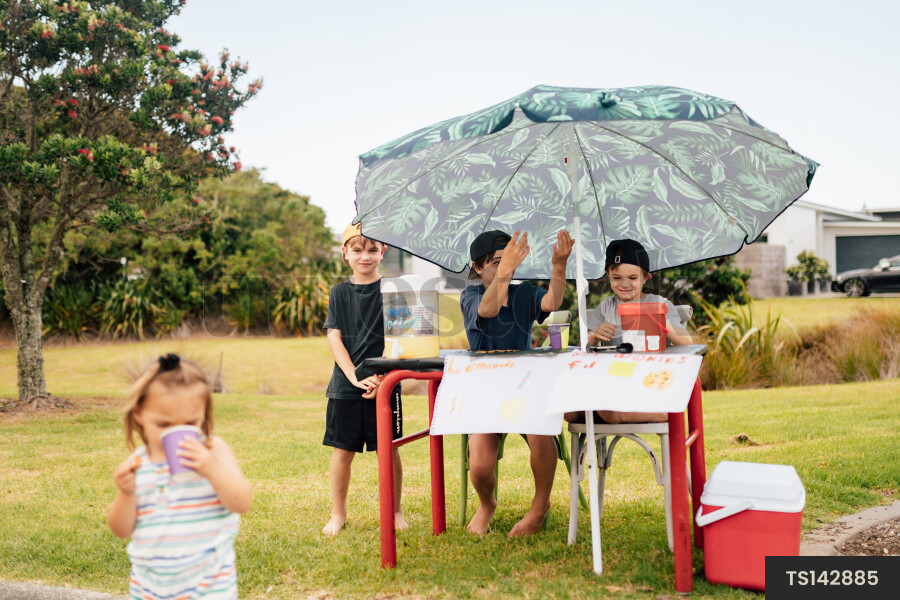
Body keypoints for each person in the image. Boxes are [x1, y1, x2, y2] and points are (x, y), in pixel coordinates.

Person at [108, 353, 253, 600]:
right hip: (148, 589)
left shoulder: (213, 451)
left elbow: (242, 502)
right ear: (139, 415)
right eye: (164, 425)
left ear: (203, 414)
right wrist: (126, 492)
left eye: (190, 422)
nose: (175, 432)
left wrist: (210, 468)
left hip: (209, 586)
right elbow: (121, 530)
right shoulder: (138, 464)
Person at [460, 228, 573, 536]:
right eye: (497, 261)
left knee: (541, 434)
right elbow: (489, 308)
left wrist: (559, 265)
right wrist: (506, 270)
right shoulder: (470, 295)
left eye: (509, 260)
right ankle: (487, 505)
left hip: (524, 388)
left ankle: (540, 507)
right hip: (485, 392)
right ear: (478, 267)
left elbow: (552, 301)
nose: (505, 266)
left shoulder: (524, 293)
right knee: (481, 466)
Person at [321, 222, 405, 536]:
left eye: (372, 249)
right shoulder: (339, 293)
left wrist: (383, 378)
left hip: (386, 383)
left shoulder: (394, 291)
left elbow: (400, 338)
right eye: (357, 250)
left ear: (382, 251)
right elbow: (334, 338)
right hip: (346, 385)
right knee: (343, 451)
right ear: (345, 254)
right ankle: (338, 513)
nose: (365, 256)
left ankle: (395, 511)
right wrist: (355, 378)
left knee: (390, 449)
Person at [577, 238, 693, 424]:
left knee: (608, 412)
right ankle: (609, 413)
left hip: (648, 382)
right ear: (608, 276)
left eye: (632, 278)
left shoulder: (658, 304)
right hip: (614, 381)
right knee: (571, 413)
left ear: (646, 277)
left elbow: (687, 343)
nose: (624, 284)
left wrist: (658, 319)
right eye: (616, 278)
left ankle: (662, 414)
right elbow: (584, 349)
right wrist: (594, 336)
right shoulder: (605, 308)